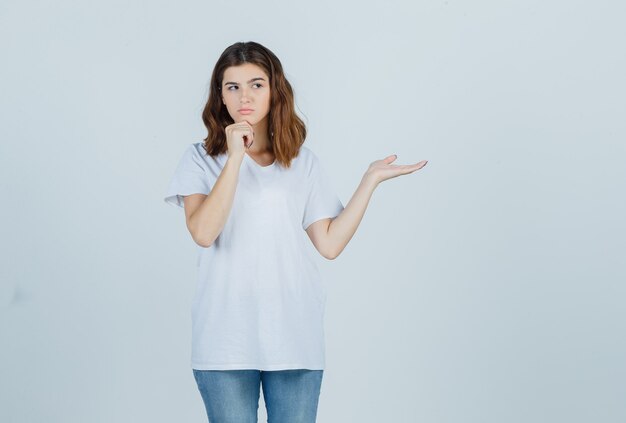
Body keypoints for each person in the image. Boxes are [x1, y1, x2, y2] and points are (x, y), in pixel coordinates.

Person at [164, 41, 428, 423]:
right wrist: (235, 156)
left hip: (294, 335)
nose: (245, 97)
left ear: (274, 91)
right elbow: (204, 232)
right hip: (224, 340)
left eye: (256, 84)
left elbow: (330, 243)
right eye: (232, 87)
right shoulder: (199, 159)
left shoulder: (302, 162)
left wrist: (369, 181)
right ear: (219, 96)